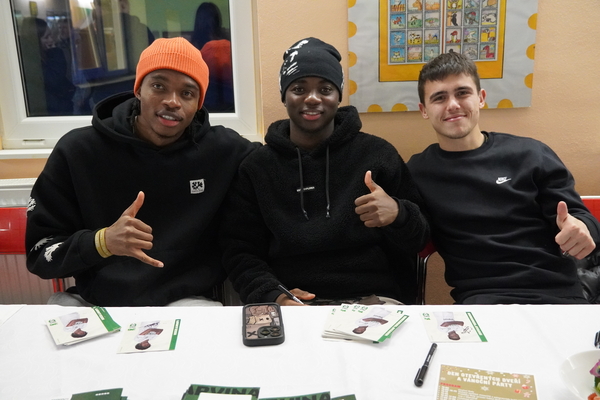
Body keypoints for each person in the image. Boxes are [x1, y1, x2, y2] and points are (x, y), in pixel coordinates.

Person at [26, 37, 258, 307]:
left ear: (198, 104)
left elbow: (279, 159)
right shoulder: (78, 151)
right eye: (159, 86)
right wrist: (102, 242)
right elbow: (39, 254)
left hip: (188, 302)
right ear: (138, 89)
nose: (172, 102)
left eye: (187, 93)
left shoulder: (223, 150)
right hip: (97, 303)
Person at [220, 37, 429, 306]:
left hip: (373, 301)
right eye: (299, 88)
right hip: (292, 302)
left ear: (338, 96)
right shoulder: (257, 168)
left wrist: (398, 214)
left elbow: (420, 238)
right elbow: (240, 252)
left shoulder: (377, 155)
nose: (312, 98)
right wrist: (275, 296)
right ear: (284, 96)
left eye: (325, 89)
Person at [407, 51, 600, 304]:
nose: (452, 104)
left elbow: (579, 216)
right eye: (439, 97)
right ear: (424, 110)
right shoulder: (417, 171)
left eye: (462, 93)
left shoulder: (530, 154)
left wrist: (582, 227)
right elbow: (410, 232)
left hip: (557, 295)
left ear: (481, 98)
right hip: (481, 300)